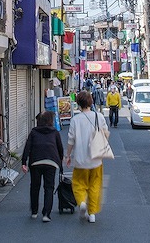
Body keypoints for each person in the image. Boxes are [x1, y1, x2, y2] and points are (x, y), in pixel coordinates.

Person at [65, 90, 109, 224]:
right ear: (91, 102)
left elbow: (71, 140)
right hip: (96, 159)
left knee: (78, 185)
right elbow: (106, 133)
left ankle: (82, 203)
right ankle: (92, 214)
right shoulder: (99, 116)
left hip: (80, 159)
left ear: (78, 103)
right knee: (95, 186)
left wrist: (68, 156)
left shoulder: (75, 120)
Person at [21, 111, 64, 222]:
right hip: (51, 161)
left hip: (36, 162)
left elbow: (27, 147)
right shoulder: (54, 132)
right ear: (50, 121)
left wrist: (23, 162)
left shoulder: (34, 132)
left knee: (35, 187)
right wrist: (61, 160)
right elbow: (60, 148)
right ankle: (46, 214)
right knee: (49, 188)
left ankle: (34, 212)